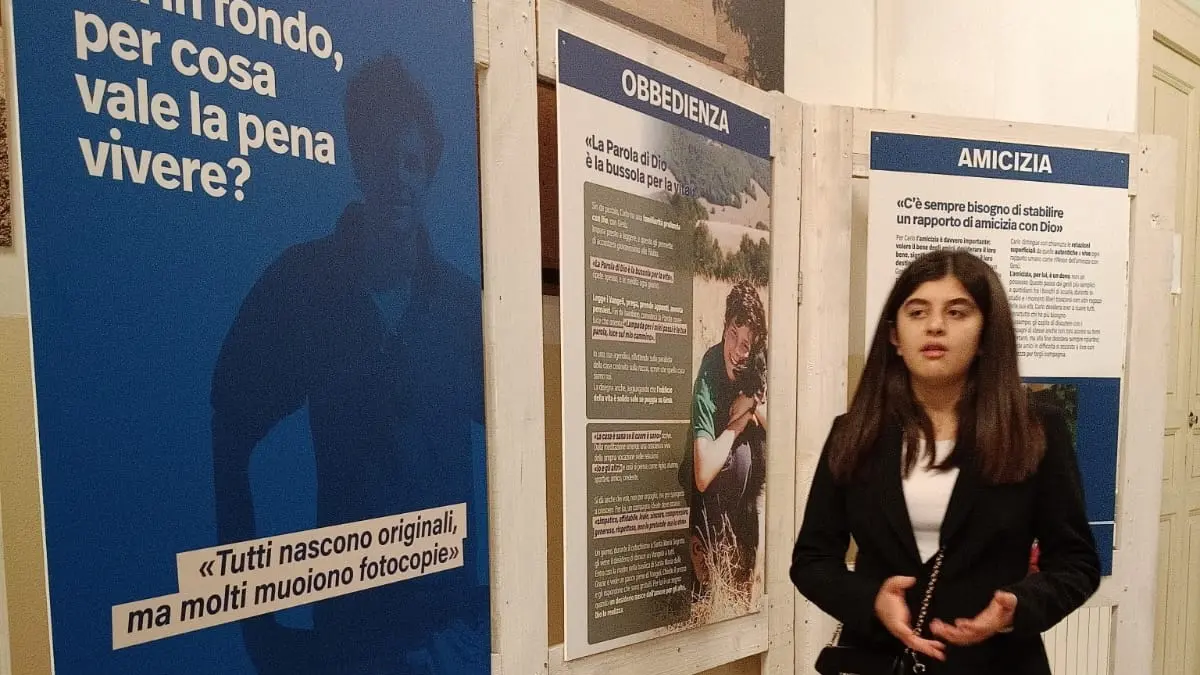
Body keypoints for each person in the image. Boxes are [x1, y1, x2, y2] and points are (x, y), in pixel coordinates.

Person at [211, 53, 488, 675]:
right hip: (351, 642)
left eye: (410, 161)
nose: (396, 179)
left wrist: (490, 609)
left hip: (449, 639)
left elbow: (520, 434)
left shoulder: (459, 304)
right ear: (357, 161)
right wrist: (256, 623)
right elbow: (229, 428)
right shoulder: (305, 285)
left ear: (429, 167)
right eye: (380, 158)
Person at [790, 249, 1100, 674]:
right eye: (917, 312)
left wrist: (1019, 606)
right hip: (880, 660)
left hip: (996, 665)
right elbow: (812, 560)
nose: (935, 325)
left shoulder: (1034, 429)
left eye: (957, 312)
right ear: (895, 336)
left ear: (986, 333)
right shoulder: (856, 431)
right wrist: (871, 600)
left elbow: (1076, 563)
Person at [680, 280, 768, 595]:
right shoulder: (710, 373)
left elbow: (784, 431)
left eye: (747, 343)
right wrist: (738, 424)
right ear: (724, 326)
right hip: (709, 489)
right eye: (733, 334)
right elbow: (702, 475)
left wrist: (753, 403)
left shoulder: (759, 360)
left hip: (746, 495)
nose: (738, 351)